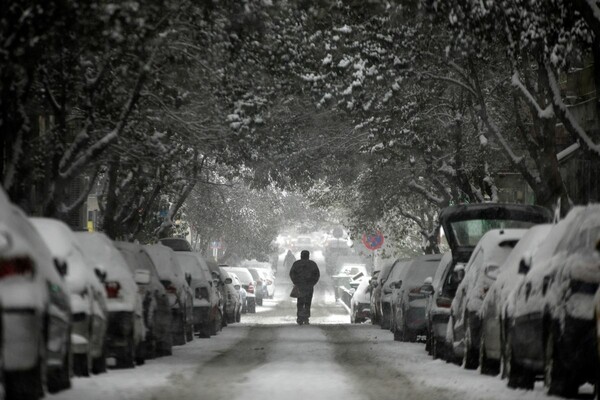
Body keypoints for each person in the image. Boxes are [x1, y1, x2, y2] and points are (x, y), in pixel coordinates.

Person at [289, 250, 320, 325]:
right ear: (308, 255)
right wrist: (312, 283)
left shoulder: (297, 264)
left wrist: (296, 282)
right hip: (309, 286)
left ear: (301, 255)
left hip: (300, 286)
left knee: (300, 302)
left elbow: (292, 273)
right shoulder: (312, 264)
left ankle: (300, 317)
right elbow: (317, 275)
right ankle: (306, 317)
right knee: (308, 302)